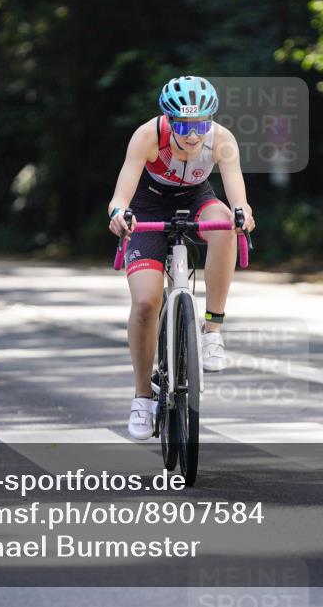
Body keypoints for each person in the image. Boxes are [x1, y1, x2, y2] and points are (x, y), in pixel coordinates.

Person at [107, 76, 255, 440]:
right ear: (170, 120)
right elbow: (121, 194)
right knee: (145, 303)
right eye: (185, 126)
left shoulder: (221, 140)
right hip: (148, 205)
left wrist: (242, 213)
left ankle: (213, 330)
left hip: (196, 199)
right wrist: (117, 214)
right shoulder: (147, 136)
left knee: (224, 224)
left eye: (201, 125)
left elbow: (237, 193)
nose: (193, 135)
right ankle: (143, 397)